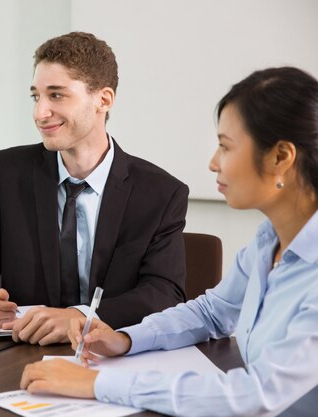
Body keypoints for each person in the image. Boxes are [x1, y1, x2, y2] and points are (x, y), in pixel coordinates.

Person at [20, 66, 318, 416]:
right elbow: (211, 311)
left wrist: (97, 384)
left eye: (225, 147)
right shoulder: (268, 242)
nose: (212, 163)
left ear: (281, 157)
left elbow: (257, 394)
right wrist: (126, 339)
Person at [0, 32, 188, 346]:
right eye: (36, 96)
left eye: (56, 95)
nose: (39, 113)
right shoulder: (7, 172)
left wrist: (82, 317)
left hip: (112, 354)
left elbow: (164, 293)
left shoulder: (160, 192)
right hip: (22, 353)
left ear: (103, 100)